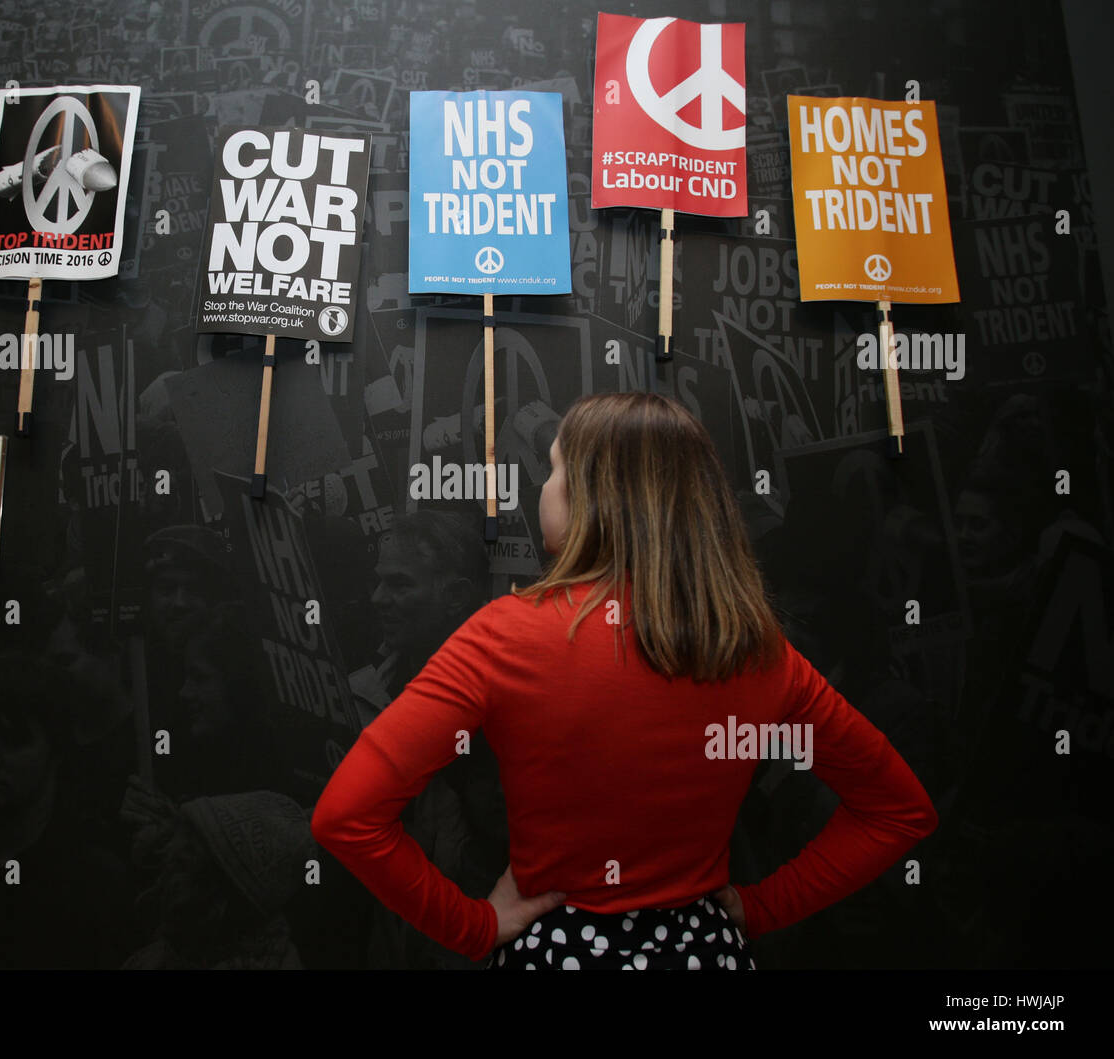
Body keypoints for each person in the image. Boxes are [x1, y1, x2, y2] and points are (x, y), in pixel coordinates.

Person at [310, 392, 939, 970]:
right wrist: (763, 907)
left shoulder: (502, 635)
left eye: (554, 470)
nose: (543, 488)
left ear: (596, 496)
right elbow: (899, 810)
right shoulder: (754, 647)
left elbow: (345, 816)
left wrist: (471, 926)